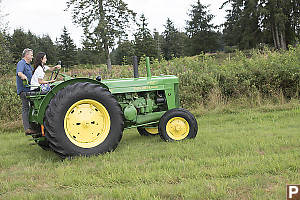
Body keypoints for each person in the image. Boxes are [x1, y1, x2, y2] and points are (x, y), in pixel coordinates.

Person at [16, 48, 35, 135]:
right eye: (31, 55)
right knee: (26, 108)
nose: (32, 57)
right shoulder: (21, 63)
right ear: (26, 55)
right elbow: (19, 73)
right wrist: (23, 76)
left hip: (30, 90)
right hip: (24, 90)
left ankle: (34, 127)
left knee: (34, 107)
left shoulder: (29, 66)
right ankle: (27, 128)